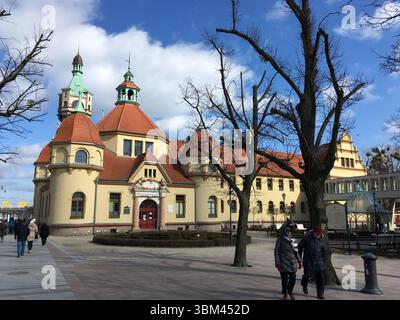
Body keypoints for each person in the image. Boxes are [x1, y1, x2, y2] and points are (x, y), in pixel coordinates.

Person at [274, 222, 302, 300]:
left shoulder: (293, 240)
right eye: (287, 231)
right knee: (284, 280)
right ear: (285, 231)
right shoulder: (280, 240)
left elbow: (296, 252)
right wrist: (277, 263)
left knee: (293, 279)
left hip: (292, 262)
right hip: (283, 262)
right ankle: (285, 293)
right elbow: (276, 252)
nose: (289, 232)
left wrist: (300, 261)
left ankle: (290, 291)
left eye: (290, 231)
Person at [298, 226, 327, 300]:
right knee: (307, 276)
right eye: (317, 234)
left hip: (319, 262)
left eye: (319, 234)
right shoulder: (306, 238)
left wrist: (323, 261)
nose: (318, 235)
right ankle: (304, 285)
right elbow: (300, 247)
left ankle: (320, 294)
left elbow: (325, 252)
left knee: (321, 278)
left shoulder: (322, 240)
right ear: (313, 232)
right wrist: (300, 258)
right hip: (308, 261)